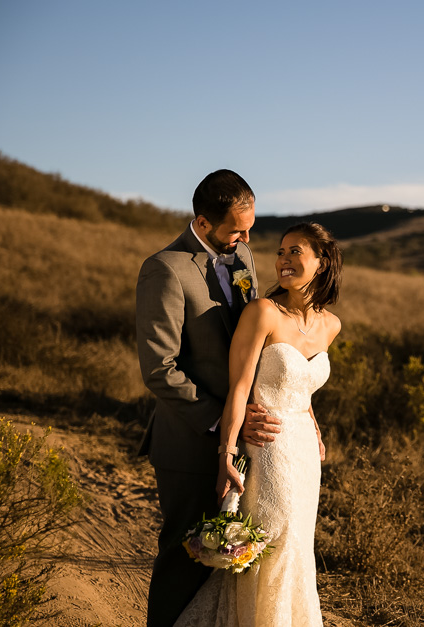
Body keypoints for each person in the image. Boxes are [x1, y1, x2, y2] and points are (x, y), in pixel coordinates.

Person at [173, 221, 342, 627]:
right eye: (281, 252)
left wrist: (314, 423)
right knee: (269, 549)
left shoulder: (331, 325)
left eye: (295, 252)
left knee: (298, 548)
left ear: (321, 263)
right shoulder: (262, 312)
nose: (283, 260)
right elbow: (239, 389)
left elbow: (303, 385)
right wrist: (226, 455)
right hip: (269, 450)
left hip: (304, 454)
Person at [137, 170, 278, 627]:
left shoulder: (244, 259)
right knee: (185, 556)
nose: (246, 237)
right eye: (236, 229)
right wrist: (224, 422)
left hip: (244, 440)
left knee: (229, 562)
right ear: (201, 222)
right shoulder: (165, 268)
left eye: (250, 227)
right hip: (190, 439)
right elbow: (159, 368)